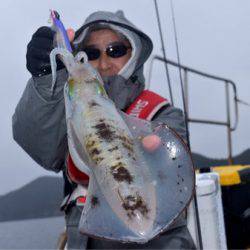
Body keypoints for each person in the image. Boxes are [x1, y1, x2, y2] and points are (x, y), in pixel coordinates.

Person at [12, 10, 196, 249]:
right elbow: (38, 141)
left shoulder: (162, 115)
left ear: (134, 55)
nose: (104, 62)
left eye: (115, 51)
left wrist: (154, 156)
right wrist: (47, 81)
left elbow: (173, 169)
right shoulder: (67, 117)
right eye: (91, 54)